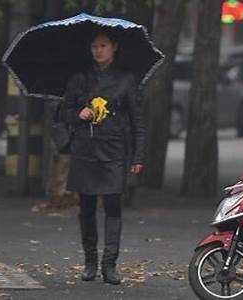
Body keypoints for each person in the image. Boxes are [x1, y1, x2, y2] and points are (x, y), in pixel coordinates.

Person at [62, 31, 146, 284]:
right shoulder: (80, 77)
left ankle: (110, 265)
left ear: (114, 47)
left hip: (114, 151)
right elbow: (62, 112)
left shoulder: (126, 79)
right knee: (86, 208)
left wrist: (137, 156)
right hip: (85, 151)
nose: (98, 50)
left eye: (103, 45)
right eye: (94, 45)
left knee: (112, 206)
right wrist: (79, 113)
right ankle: (90, 262)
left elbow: (136, 120)